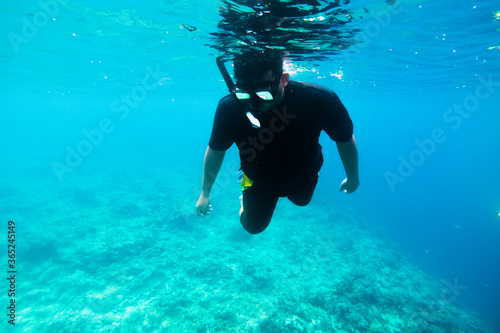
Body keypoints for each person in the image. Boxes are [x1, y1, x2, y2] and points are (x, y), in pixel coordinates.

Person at [196, 50, 359, 234]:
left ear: (284, 79)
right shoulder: (230, 107)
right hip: (258, 176)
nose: (255, 103)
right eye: (245, 95)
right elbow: (216, 151)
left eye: (263, 94)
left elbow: (344, 139)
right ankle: (244, 197)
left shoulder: (318, 100)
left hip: (304, 170)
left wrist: (353, 177)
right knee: (253, 227)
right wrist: (205, 192)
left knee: (302, 200)